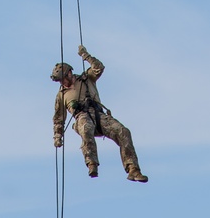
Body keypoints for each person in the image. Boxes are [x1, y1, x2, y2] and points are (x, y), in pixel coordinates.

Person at [51, 45, 148, 182]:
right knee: (86, 128)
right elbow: (58, 119)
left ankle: (133, 169)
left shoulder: (86, 78)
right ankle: (92, 163)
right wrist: (57, 136)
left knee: (123, 131)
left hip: (98, 114)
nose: (62, 83)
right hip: (82, 117)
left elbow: (99, 68)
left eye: (63, 79)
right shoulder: (61, 95)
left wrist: (85, 55)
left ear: (69, 73)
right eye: (60, 81)